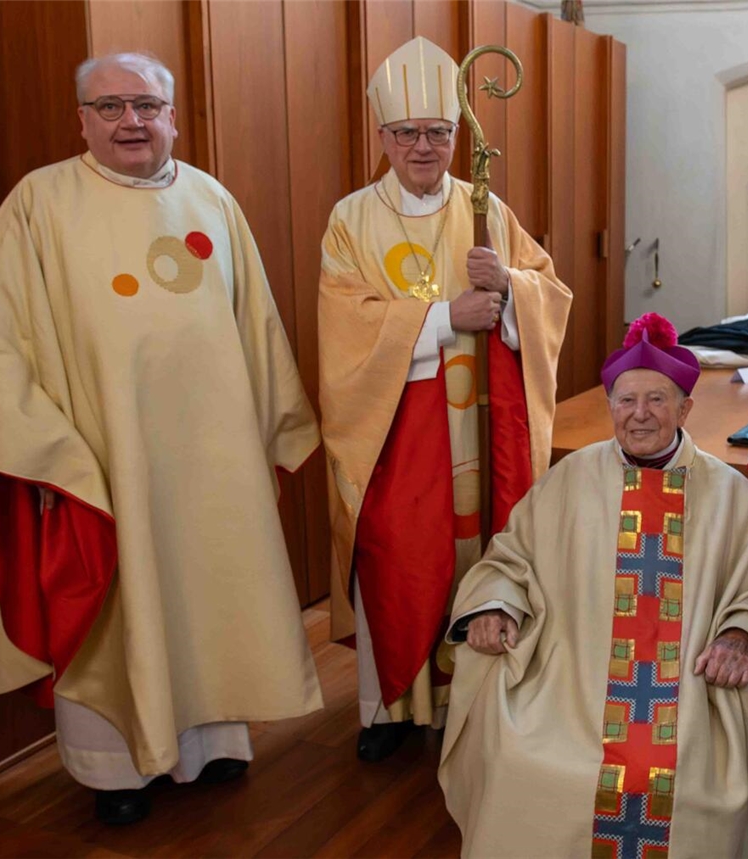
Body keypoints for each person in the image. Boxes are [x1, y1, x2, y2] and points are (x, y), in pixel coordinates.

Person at [0, 52, 323, 825]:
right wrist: (44, 446)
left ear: (173, 115)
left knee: (210, 589)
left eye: (145, 104)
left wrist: (265, 426)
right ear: (81, 120)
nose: (130, 121)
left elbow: (259, 329)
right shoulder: (39, 203)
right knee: (123, 595)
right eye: (108, 107)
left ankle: (214, 744)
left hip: (213, 459)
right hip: (103, 458)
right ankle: (117, 766)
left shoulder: (213, 199)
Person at [438, 313, 748, 858]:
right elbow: (511, 557)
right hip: (569, 677)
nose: (639, 415)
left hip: (686, 685)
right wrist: (496, 606)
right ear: (610, 405)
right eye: (626, 401)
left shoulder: (729, 493)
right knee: (527, 758)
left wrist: (742, 637)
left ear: (685, 409)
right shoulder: (569, 477)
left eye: (657, 401)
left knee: (687, 776)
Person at [318, 36, 571, 762]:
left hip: (482, 435)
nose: (423, 147)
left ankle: (479, 695)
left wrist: (512, 290)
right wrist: (440, 319)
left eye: (437, 132)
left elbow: (548, 291)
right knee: (398, 553)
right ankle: (391, 707)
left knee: (485, 545)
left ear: (459, 138)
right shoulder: (351, 219)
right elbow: (344, 323)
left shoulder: (488, 207)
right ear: (384, 138)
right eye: (407, 133)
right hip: (398, 434)